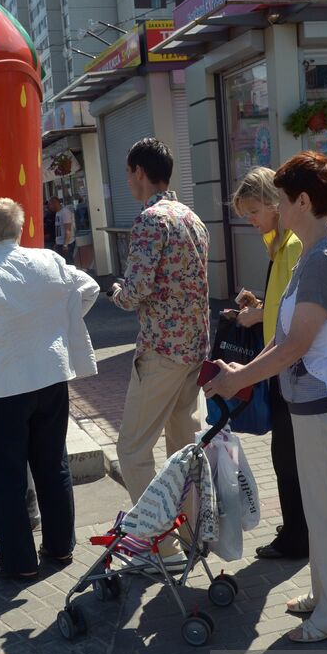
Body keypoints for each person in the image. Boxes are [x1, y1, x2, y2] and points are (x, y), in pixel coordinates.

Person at [203, 151, 327, 643]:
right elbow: (286, 332)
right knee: (321, 509)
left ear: (301, 201)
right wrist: (245, 370)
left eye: (280, 198)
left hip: (325, 401)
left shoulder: (321, 257)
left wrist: (239, 379)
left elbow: (295, 344)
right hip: (318, 398)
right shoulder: (312, 248)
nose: (274, 208)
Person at [0, 200, 99, 581]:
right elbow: (89, 287)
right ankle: (60, 546)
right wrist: (58, 326)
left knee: (9, 473)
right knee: (53, 464)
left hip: (2, 386)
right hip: (50, 375)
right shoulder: (47, 259)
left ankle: (19, 563)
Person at [110, 138, 211, 529]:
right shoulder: (191, 217)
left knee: (132, 448)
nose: (130, 182)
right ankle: (192, 532)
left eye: (129, 174)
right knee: (184, 449)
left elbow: (136, 291)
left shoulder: (151, 220)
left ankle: (160, 542)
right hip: (193, 349)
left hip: (162, 351)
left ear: (139, 172)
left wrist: (116, 291)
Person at [228, 167, 308, 562]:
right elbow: (283, 302)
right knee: (287, 453)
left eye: (254, 210)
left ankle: (297, 536)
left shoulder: (290, 245)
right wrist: (260, 306)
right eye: (246, 214)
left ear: (276, 204)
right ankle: (296, 526)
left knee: (288, 456)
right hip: (283, 362)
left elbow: (291, 313)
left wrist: (259, 317)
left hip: (287, 363)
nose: (251, 220)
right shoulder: (279, 243)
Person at [55, 197, 76, 264]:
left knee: (69, 264)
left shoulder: (65, 212)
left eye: (50, 204)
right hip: (60, 243)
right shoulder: (58, 213)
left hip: (66, 244)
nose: (49, 206)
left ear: (55, 203)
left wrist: (65, 245)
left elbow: (68, 229)